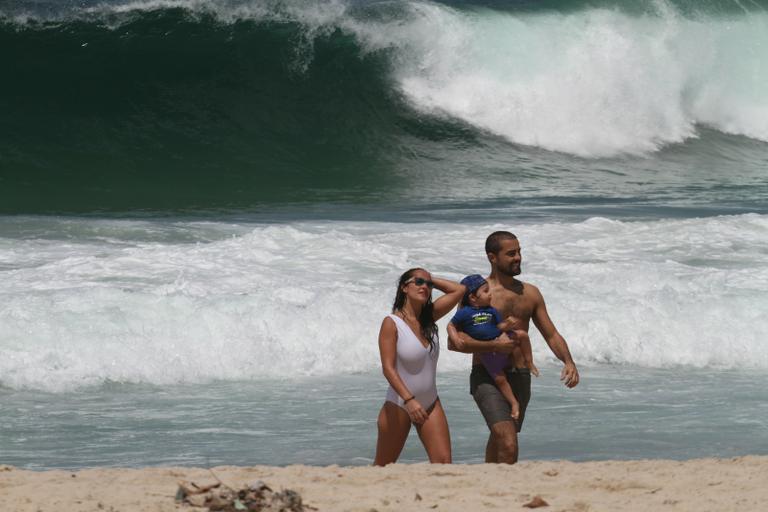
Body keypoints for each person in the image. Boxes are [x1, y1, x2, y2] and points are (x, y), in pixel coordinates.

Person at [447, 231, 579, 464]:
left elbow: (551, 334)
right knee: (507, 441)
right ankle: (506, 494)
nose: (518, 257)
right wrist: (492, 345)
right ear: (492, 257)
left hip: (520, 376)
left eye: (519, 252)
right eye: (511, 254)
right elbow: (455, 342)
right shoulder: (477, 296)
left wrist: (568, 361)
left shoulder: (530, 293)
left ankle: (489, 485)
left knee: (502, 437)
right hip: (487, 376)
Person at [374, 268, 465, 466]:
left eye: (428, 284)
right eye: (419, 282)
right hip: (399, 403)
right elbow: (388, 369)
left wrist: (430, 278)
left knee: (443, 464)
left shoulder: (429, 318)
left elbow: (459, 290)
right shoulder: (392, 323)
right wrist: (410, 400)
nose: (425, 287)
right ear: (404, 287)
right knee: (383, 467)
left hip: (431, 402)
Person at [450, 273, 539, 421]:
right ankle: (513, 403)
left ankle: (529, 362)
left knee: (522, 335)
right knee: (500, 380)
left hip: (502, 341)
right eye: (485, 291)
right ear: (472, 297)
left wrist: (508, 325)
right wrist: (455, 337)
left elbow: (500, 326)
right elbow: (451, 326)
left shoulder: (492, 310)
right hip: (487, 354)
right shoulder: (465, 313)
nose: (490, 294)